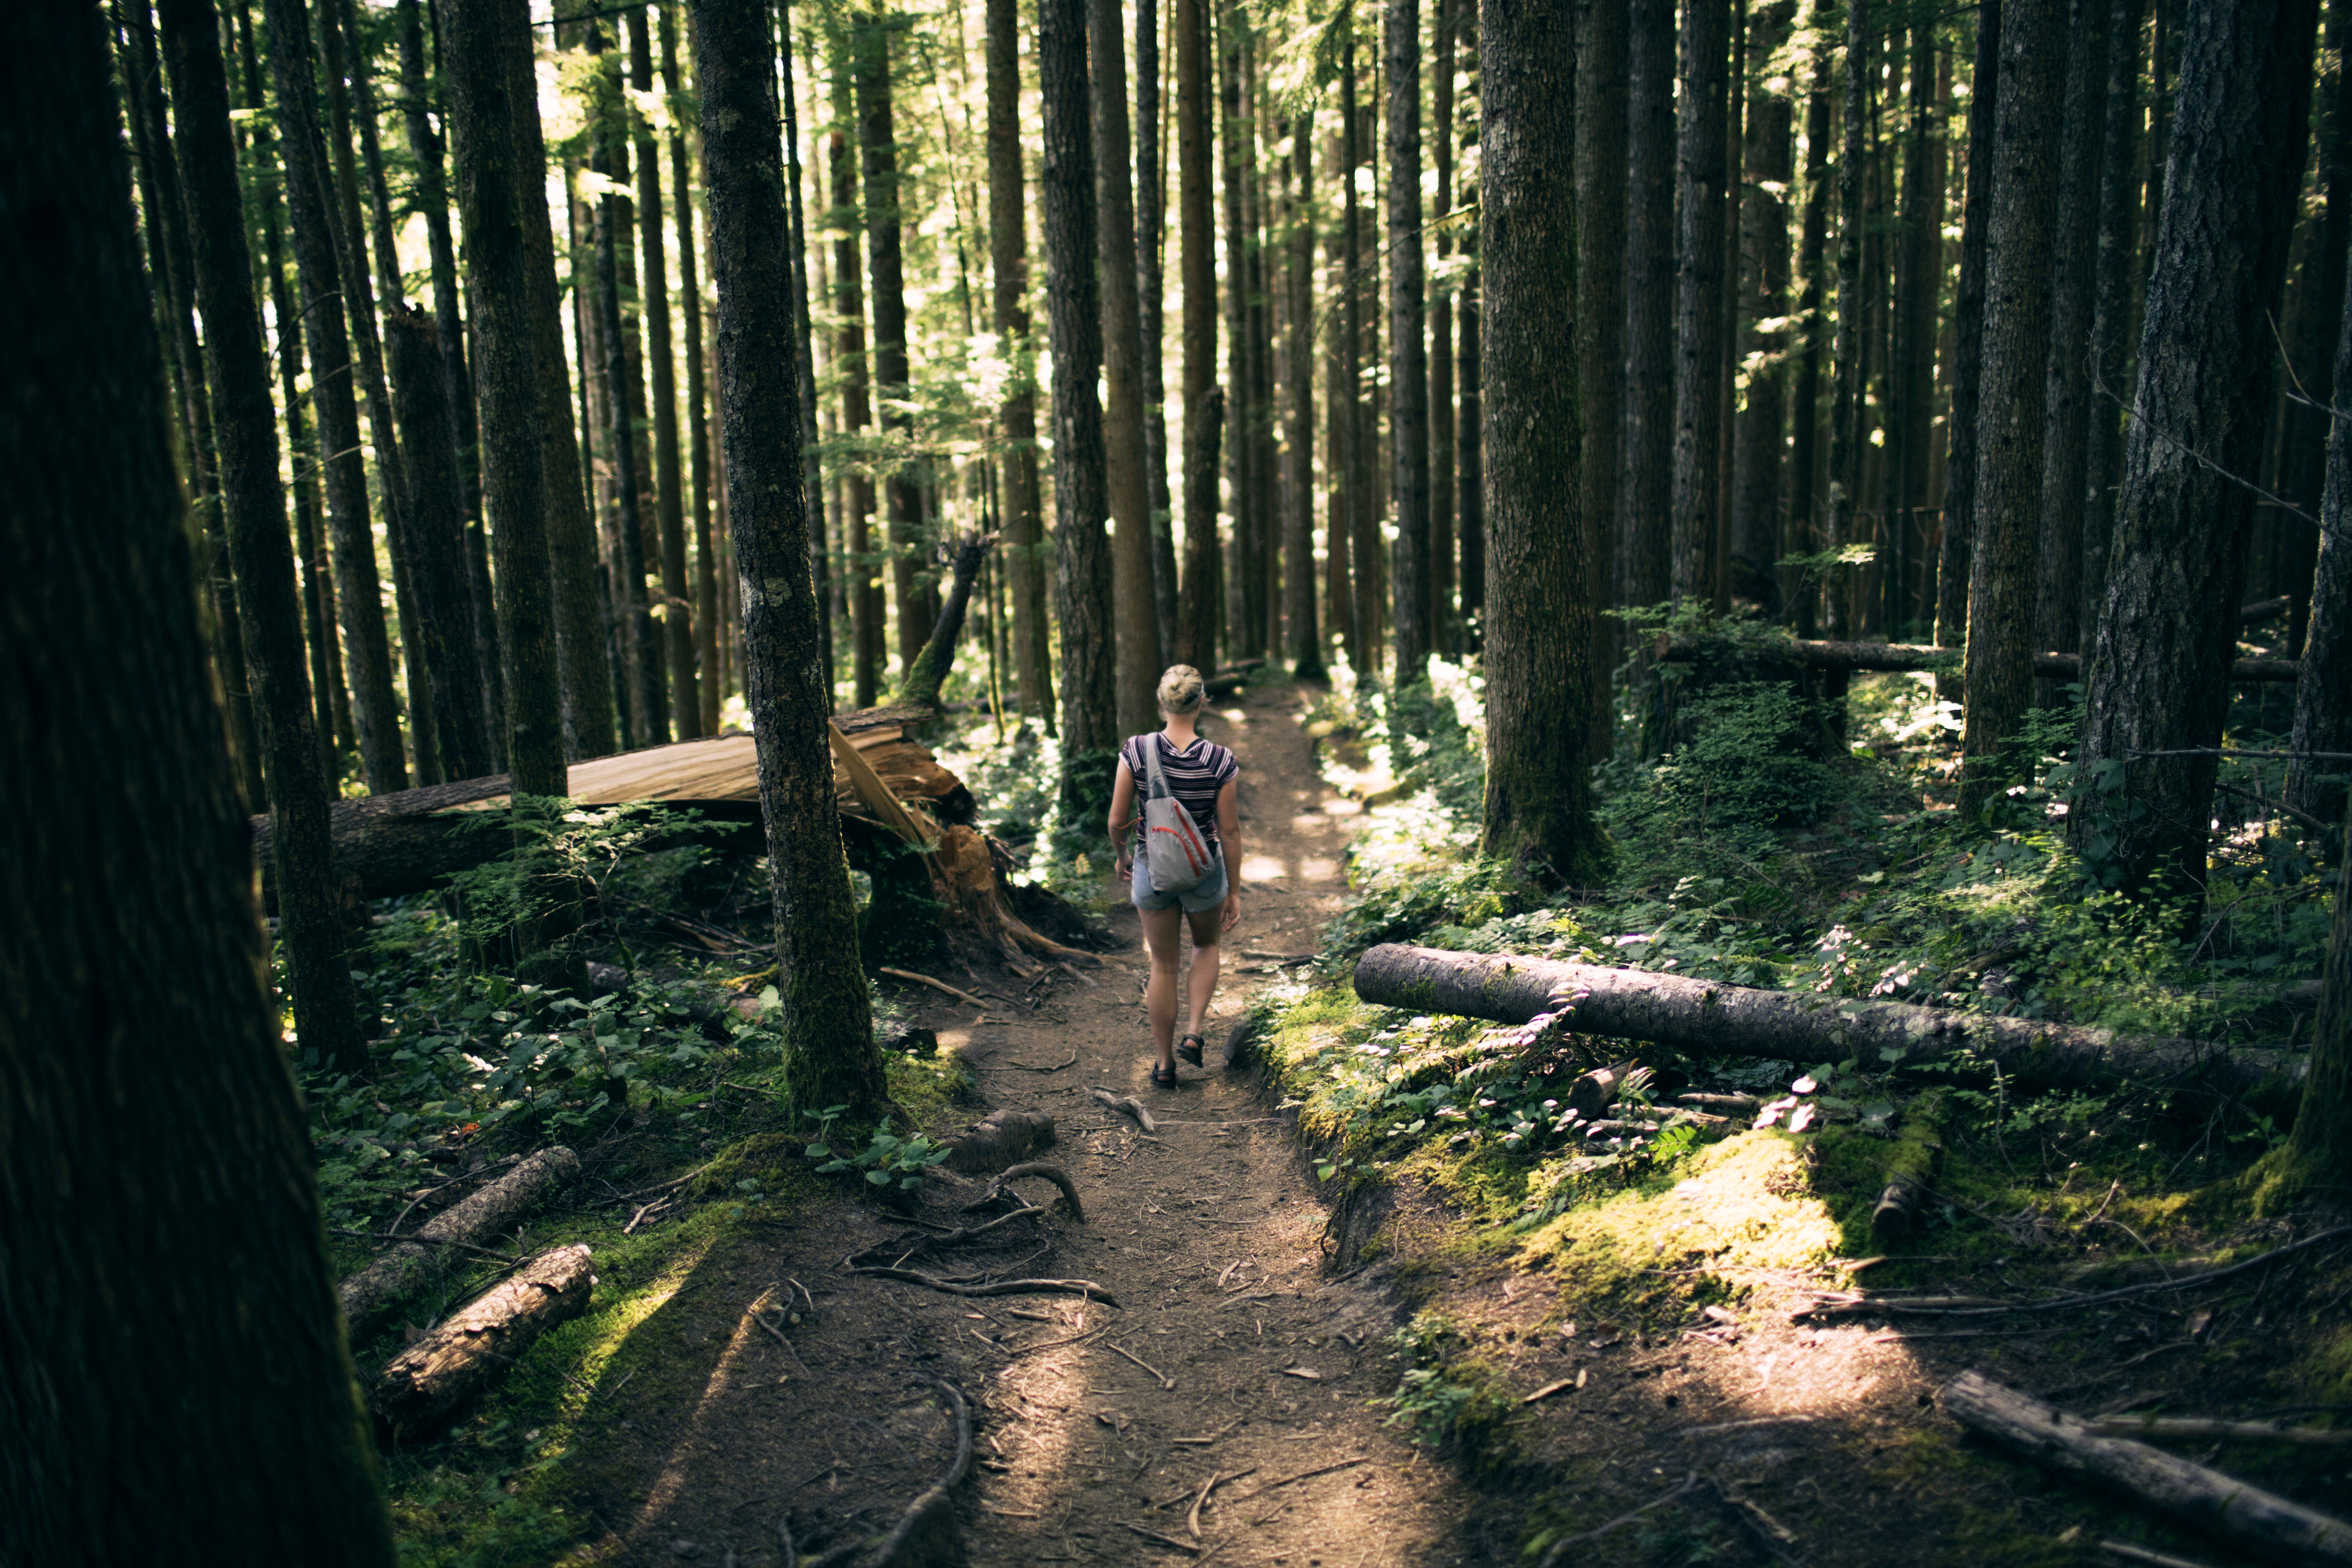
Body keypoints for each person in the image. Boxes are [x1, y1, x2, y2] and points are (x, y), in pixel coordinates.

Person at [1108, 665, 1242, 1086]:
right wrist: (1234, 890)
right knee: (1205, 945)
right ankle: (1194, 1032)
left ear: (1161, 701)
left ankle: (1164, 1065)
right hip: (1203, 870)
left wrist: (1122, 855)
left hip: (1153, 869)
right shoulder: (1220, 760)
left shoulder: (1136, 750)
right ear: (1202, 702)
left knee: (1163, 965)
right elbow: (1230, 830)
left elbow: (1116, 820)